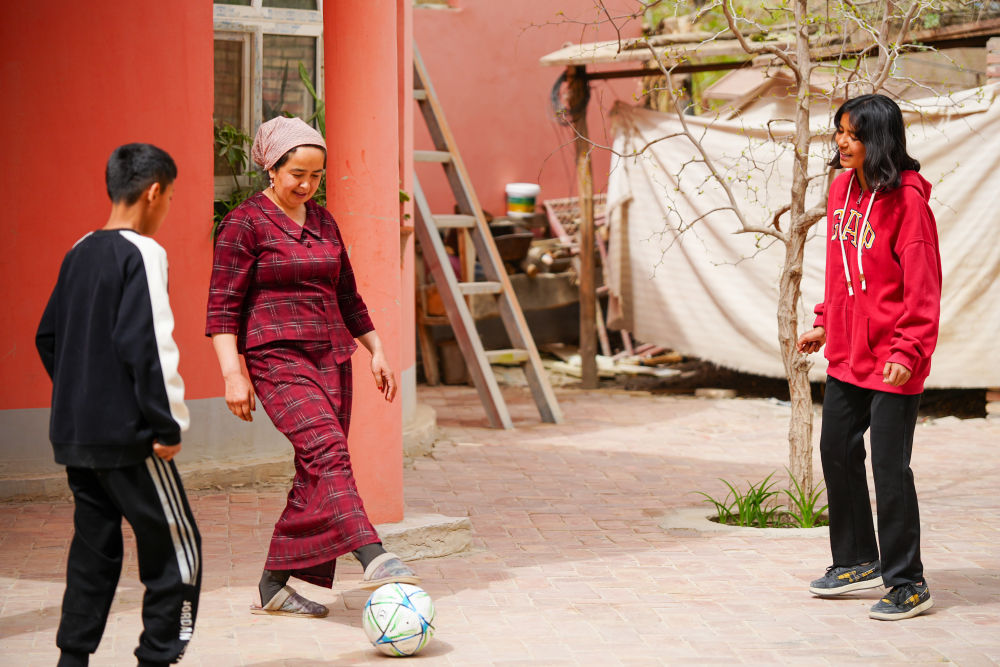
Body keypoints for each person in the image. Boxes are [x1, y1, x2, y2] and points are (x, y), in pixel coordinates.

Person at [206, 116, 418, 619]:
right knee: (327, 449)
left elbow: (348, 295)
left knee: (315, 467)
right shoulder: (244, 223)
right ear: (272, 168)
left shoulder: (323, 221)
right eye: (297, 174)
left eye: (316, 175)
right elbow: (222, 307)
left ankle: (273, 586)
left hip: (332, 358)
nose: (306, 184)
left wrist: (377, 350)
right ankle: (372, 554)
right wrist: (233, 374)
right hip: (276, 357)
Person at [36, 143, 201, 666]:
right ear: (154, 192)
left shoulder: (78, 250)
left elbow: (47, 337)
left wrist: (84, 399)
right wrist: (167, 426)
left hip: (77, 437)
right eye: (170, 196)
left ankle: (72, 660)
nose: (168, 207)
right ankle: (157, 657)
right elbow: (147, 344)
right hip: (132, 438)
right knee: (179, 550)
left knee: (94, 552)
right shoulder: (143, 253)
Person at [797, 94, 942, 621]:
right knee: (836, 450)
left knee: (889, 467)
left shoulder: (909, 203)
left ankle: (908, 582)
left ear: (878, 140)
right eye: (839, 131)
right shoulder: (841, 190)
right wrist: (824, 321)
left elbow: (923, 288)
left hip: (895, 357)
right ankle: (858, 559)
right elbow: (841, 267)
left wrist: (910, 348)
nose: (842, 142)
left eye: (854, 135)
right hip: (848, 351)